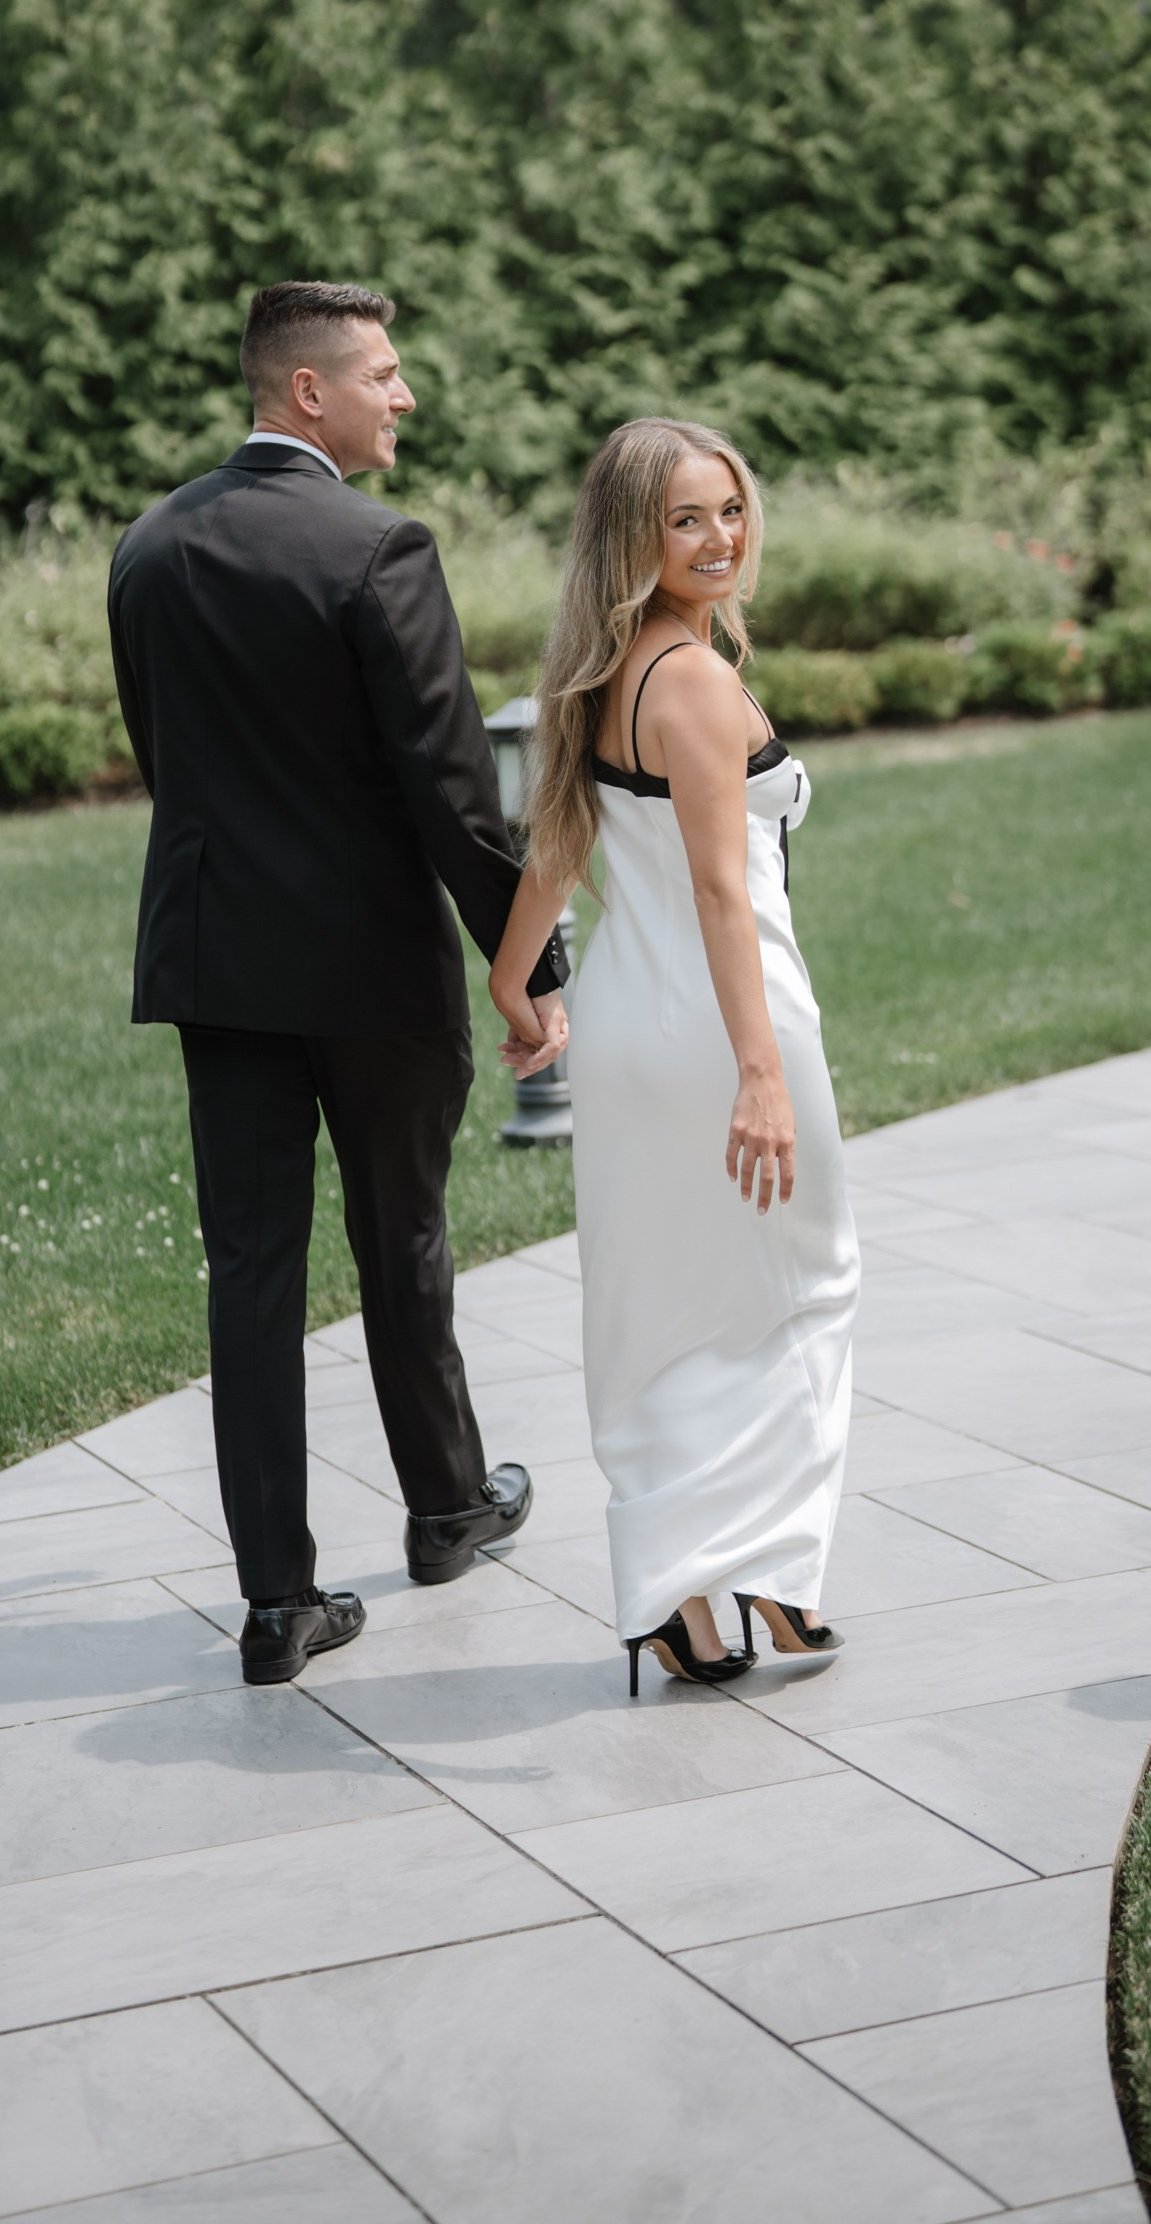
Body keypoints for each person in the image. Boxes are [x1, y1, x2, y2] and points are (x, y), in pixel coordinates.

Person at [108, 282, 568, 1686]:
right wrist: (532, 962)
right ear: (305, 392)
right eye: (381, 373)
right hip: (372, 967)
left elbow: (164, 756)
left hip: (219, 963)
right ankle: (445, 1511)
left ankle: (275, 1604)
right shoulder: (380, 550)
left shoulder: (149, 546)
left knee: (250, 1273)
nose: (403, 396)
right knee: (403, 1240)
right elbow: (449, 792)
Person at [490, 418, 858, 1693]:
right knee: (799, 1291)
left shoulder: (600, 670)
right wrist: (759, 1073)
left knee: (665, 1309)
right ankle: (769, 1573)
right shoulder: (691, 681)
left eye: (731, 511)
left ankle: (679, 1602)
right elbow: (716, 889)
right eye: (685, 519)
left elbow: (556, 845)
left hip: (630, 1034)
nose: (718, 540)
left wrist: (514, 977)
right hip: (723, 1028)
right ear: (633, 537)